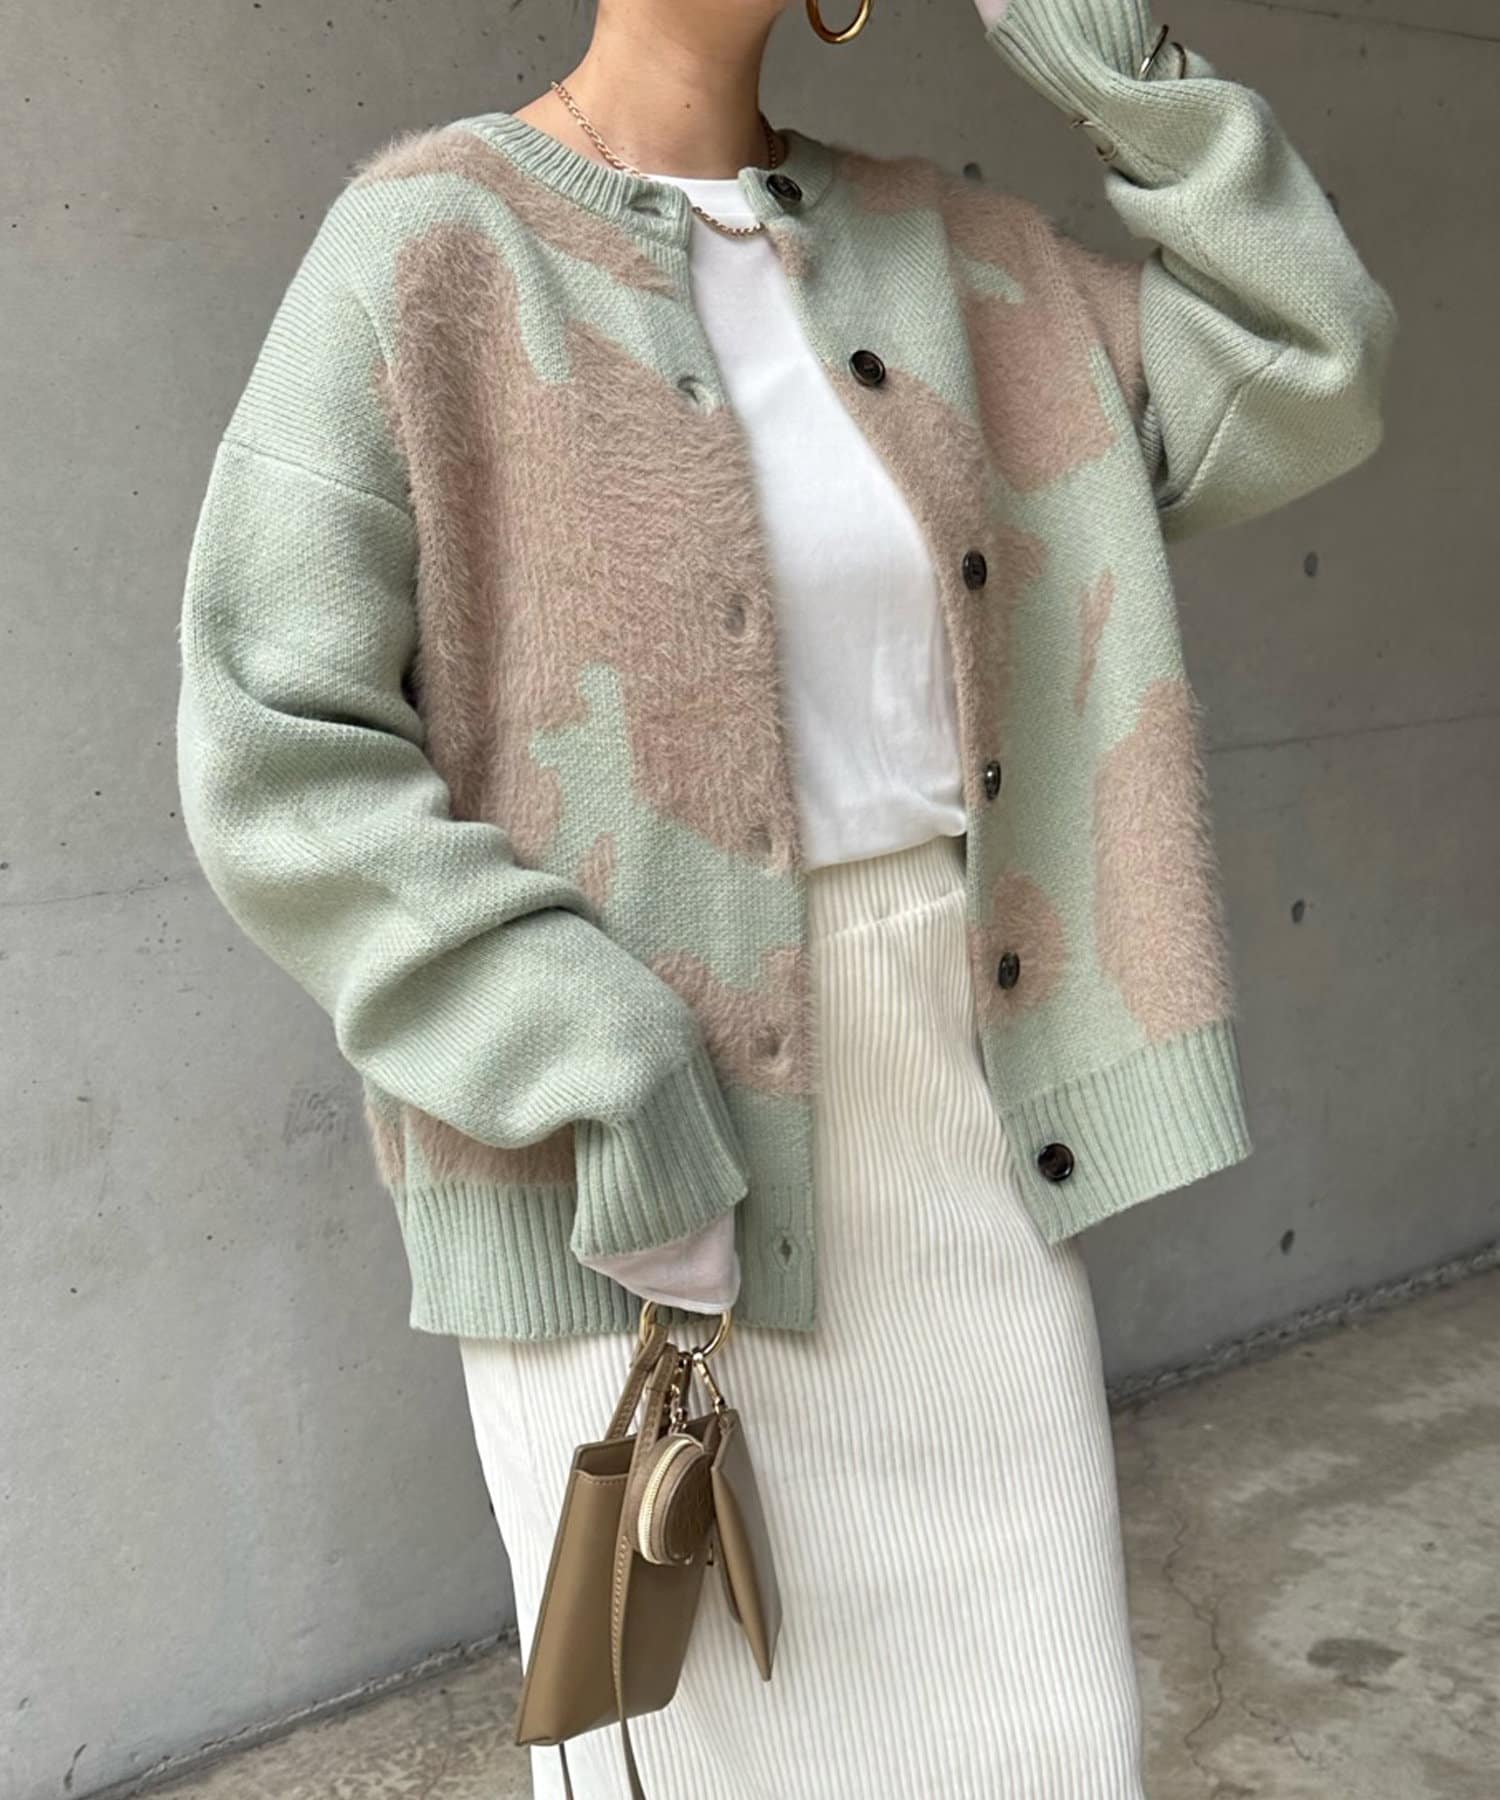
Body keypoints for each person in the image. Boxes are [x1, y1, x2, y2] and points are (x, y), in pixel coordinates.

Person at [175, 0, 1396, 1793]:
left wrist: (1108, 58)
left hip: (955, 1125)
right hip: (626, 1162)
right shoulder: (429, 249)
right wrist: (586, 1052)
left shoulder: (954, 253)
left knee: (1044, 1737)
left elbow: (1308, 364)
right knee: (705, 1752)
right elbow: (269, 743)